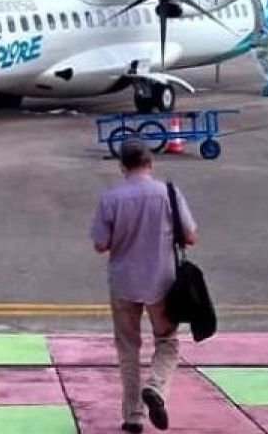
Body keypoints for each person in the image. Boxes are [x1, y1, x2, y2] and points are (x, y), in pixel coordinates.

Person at [92, 139, 197, 433]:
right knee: (167, 341)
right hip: (161, 280)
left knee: (128, 347)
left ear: (122, 165)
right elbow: (190, 237)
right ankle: (157, 387)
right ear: (150, 162)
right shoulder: (169, 194)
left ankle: (132, 416)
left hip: (124, 280)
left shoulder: (111, 199)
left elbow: (100, 244)